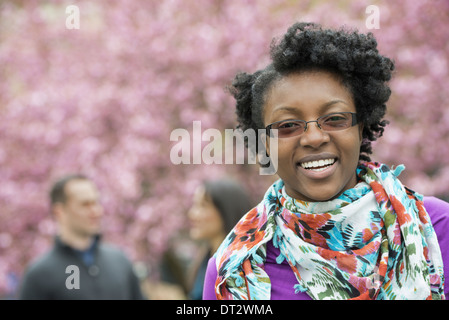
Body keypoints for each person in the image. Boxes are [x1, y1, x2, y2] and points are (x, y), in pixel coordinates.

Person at [202, 22, 449, 300]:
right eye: (287, 126)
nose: (314, 138)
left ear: (361, 126)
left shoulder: (437, 227)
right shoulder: (231, 271)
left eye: (334, 119)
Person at [18, 174, 145, 300]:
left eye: (96, 203)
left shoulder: (120, 261)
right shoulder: (40, 275)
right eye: (85, 204)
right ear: (59, 212)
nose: (95, 211)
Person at [186, 178, 253, 300]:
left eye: (203, 206)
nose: (192, 214)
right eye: (194, 205)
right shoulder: (203, 261)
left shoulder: (240, 268)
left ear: (226, 211)